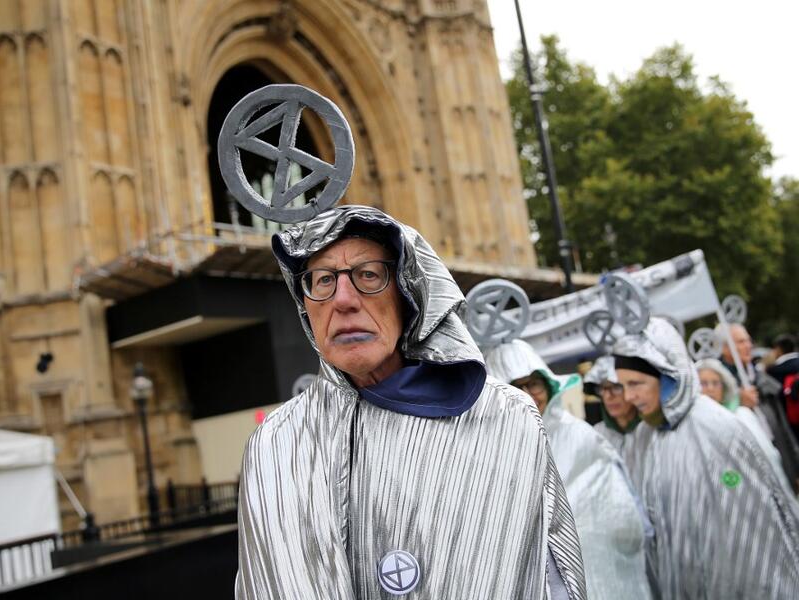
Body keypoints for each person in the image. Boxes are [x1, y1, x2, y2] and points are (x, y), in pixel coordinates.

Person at [235, 206, 586, 599]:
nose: (344, 299)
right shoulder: (275, 446)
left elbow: (554, 580)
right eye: (322, 279)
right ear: (306, 305)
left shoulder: (507, 419)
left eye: (368, 274)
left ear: (408, 291)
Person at [613, 318, 799, 598]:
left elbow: (757, 536)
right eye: (623, 385)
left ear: (669, 377)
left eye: (636, 383)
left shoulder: (718, 429)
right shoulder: (644, 436)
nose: (629, 396)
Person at [486, 340, 653, 600]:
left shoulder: (581, 436)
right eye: (517, 386)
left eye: (534, 383)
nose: (529, 394)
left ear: (549, 385)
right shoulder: (491, 450)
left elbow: (620, 519)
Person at [696, 357, 795, 497]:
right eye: (703, 383)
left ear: (724, 387)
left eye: (715, 383)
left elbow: (768, 456)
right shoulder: (693, 426)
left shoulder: (742, 416)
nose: (710, 388)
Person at [719, 323, 799, 492]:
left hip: (778, 457)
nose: (748, 346)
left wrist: (795, 466)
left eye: (748, 341)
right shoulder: (717, 384)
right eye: (741, 342)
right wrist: (736, 401)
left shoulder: (760, 378)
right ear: (725, 348)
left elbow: (782, 427)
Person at [584, 356, 640, 452]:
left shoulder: (651, 430)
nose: (608, 396)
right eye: (601, 389)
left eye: (616, 387)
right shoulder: (596, 435)